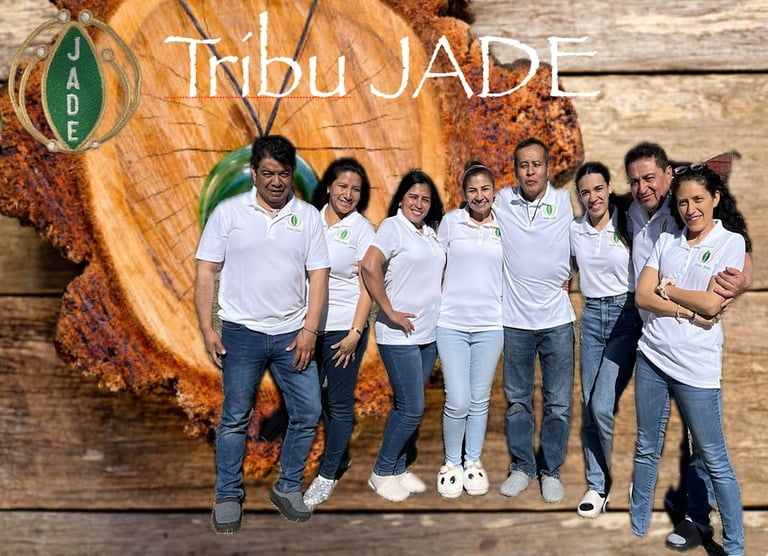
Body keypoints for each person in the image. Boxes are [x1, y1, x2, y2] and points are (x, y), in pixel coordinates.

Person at [194, 135, 330, 531]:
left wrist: (310, 330)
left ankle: (287, 487)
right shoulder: (227, 213)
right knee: (235, 417)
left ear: (292, 176)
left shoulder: (307, 218)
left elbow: (318, 276)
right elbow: (206, 270)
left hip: (293, 336)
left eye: (283, 174)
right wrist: (208, 327)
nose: (276, 181)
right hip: (241, 334)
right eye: (267, 173)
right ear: (253, 173)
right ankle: (228, 496)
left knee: (308, 413)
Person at [624, 142, 753, 551]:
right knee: (647, 445)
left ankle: (734, 545)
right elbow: (644, 296)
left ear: (715, 198)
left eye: (698, 199)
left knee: (713, 456)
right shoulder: (668, 241)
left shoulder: (729, 242)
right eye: (682, 203)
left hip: (696, 367)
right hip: (652, 356)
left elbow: (712, 305)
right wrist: (683, 305)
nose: (690, 209)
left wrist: (670, 288)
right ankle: (638, 525)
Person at [495, 137, 575, 504]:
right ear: (516, 170)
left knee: (558, 402)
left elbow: (589, 239)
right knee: (518, 401)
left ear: (547, 168)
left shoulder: (563, 202)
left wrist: (573, 274)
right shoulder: (500, 201)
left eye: (537, 164)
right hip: (515, 321)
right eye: (524, 165)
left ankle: (550, 470)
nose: (530, 171)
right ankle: (523, 467)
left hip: (557, 320)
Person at [360, 169, 445, 502]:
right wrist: (389, 309)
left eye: (425, 199)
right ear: (401, 199)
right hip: (399, 336)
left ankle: (398, 467)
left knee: (406, 404)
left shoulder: (427, 233)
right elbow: (369, 265)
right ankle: (381, 472)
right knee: (412, 408)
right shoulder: (394, 227)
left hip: (427, 334)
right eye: (413, 197)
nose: (419, 204)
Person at [302, 158, 376, 510]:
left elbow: (367, 287)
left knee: (339, 401)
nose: (348, 194)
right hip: (307, 327)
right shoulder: (309, 220)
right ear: (330, 186)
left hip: (343, 329)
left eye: (356, 190)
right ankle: (339, 453)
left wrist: (355, 332)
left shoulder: (363, 229)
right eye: (343, 186)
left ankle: (328, 473)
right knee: (309, 397)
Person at [569, 162, 640, 517]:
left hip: (626, 317)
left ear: (609, 188)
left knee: (601, 404)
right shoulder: (575, 230)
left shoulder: (627, 222)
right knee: (587, 405)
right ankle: (597, 487)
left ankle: (610, 480)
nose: (593, 197)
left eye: (598, 189)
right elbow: (561, 270)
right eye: (585, 192)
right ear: (579, 196)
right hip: (592, 316)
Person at [435, 161, 503, 499]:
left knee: (479, 399)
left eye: (485, 189)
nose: (479, 196)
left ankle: (472, 461)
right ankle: (451, 464)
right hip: (451, 324)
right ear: (465, 194)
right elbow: (433, 265)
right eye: (473, 190)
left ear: (494, 191)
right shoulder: (450, 223)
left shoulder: (504, 227)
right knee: (457, 399)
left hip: (491, 324)